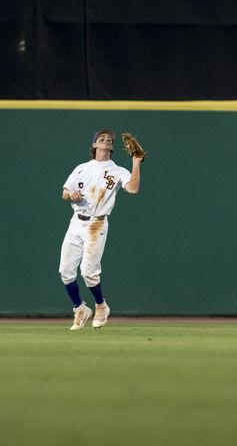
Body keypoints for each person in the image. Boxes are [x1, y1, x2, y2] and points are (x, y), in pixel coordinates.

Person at [59, 129, 142, 330]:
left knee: (88, 272)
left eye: (109, 139)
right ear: (94, 145)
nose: (106, 140)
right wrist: (71, 195)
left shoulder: (118, 170)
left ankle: (101, 306)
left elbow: (132, 188)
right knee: (66, 271)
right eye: (101, 138)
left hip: (96, 223)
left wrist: (136, 163)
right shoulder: (81, 168)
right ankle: (80, 308)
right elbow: (64, 192)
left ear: (112, 147)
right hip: (76, 222)